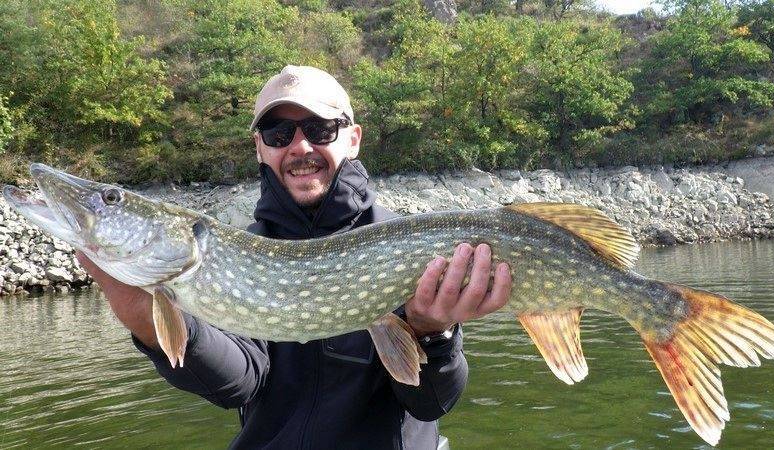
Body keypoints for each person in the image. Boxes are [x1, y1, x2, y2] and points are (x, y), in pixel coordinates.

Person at [77, 65, 512, 449]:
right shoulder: (238, 256)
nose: (300, 147)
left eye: (320, 129)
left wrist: (432, 333)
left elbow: (432, 401)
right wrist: (147, 321)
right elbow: (240, 380)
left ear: (353, 138)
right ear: (260, 148)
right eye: (279, 134)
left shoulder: (406, 243)